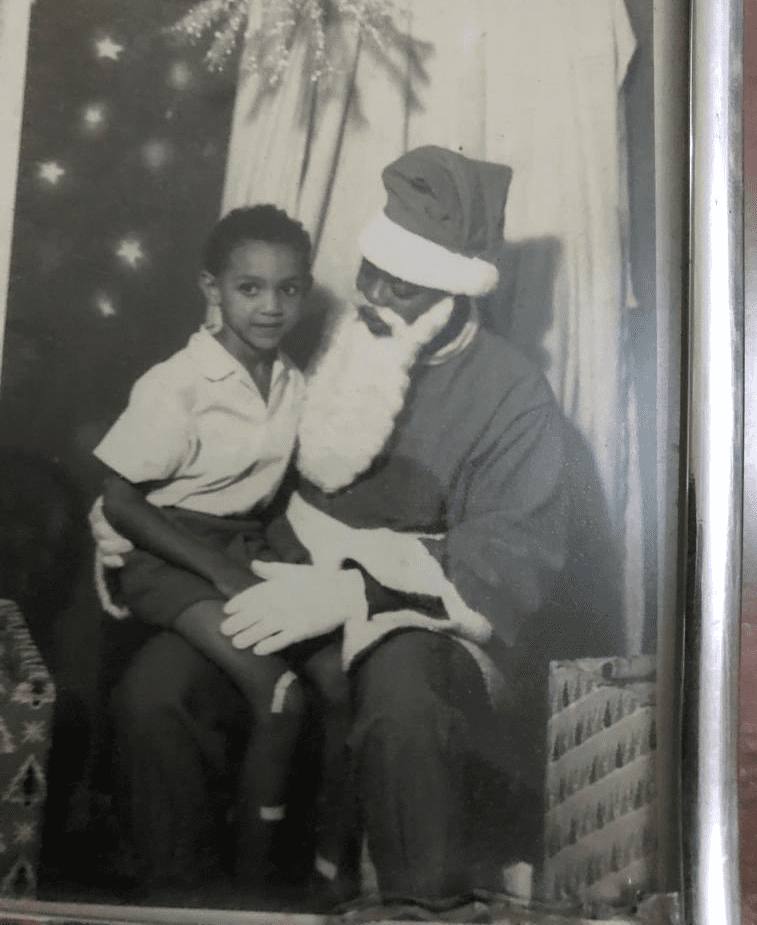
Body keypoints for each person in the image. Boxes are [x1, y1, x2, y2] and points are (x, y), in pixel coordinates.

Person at [96, 148, 624, 907]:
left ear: (453, 294)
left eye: (399, 285)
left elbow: (511, 557)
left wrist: (353, 593)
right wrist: (127, 513)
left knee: (404, 708)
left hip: (412, 617)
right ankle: (188, 905)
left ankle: (414, 907)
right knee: (156, 693)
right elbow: (219, 445)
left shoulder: (515, 397)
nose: (371, 294)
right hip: (267, 574)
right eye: (369, 268)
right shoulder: (331, 332)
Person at [92, 205, 354, 896]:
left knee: (335, 670)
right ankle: (250, 882)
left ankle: (333, 862)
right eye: (249, 288)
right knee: (277, 692)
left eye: (289, 289)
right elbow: (120, 499)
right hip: (165, 553)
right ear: (211, 288)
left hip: (240, 544)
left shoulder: (293, 382)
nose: (271, 307)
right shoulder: (178, 383)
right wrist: (219, 573)